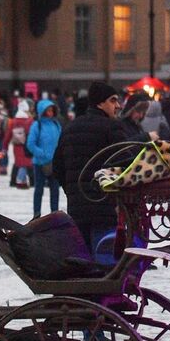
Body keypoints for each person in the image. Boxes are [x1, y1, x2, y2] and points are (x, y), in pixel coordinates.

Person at [51, 81, 140, 261]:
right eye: (113, 101)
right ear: (100, 103)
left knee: (85, 261)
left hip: (78, 209)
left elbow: (57, 167)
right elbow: (127, 164)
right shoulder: (112, 128)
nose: (118, 106)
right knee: (105, 259)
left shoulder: (70, 128)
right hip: (105, 208)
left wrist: (73, 191)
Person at [25, 98, 63, 218]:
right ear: (43, 111)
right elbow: (30, 144)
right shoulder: (37, 125)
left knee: (55, 190)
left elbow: (61, 141)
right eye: (48, 110)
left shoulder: (56, 125)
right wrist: (43, 154)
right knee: (39, 190)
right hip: (40, 163)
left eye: (52, 110)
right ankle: (37, 213)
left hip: (55, 163)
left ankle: (55, 213)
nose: (51, 112)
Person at [10, 102, 34, 188]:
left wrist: (5, 146)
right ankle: (31, 181)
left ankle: (13, 181)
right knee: (29, 163)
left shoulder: (13, 121)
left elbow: (8, 134)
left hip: (16, 146)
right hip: (26, 145)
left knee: (17, 163)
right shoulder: (30, 121)